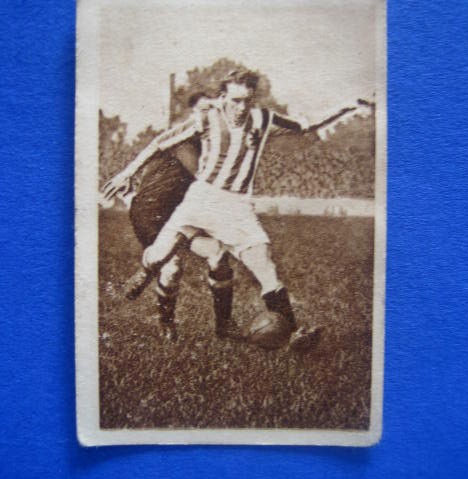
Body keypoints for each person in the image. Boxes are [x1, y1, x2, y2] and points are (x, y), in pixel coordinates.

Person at [105, 68, 368, 350]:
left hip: (237, 206)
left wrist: (347, 106)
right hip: (200, 200)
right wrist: (126, 173)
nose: (241, 107)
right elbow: (159, 143)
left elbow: (305, 124)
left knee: (265, 266)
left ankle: (293, 333)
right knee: (159, 258)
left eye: (247, 100)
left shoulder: (263, 119)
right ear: (222, 98)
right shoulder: (206, 118)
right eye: (235, 100)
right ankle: (146, 270)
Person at [102, 92, 234, 341]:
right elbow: (204, 175)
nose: (210, 116)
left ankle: (224, 326)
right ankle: (166, 323)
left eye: (213, 110)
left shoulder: (214, 143)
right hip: (152, 212)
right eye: (204, 110)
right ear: (192, 114)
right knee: (172, 268)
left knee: (218, 254)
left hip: (183, 213)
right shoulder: (185, 140)